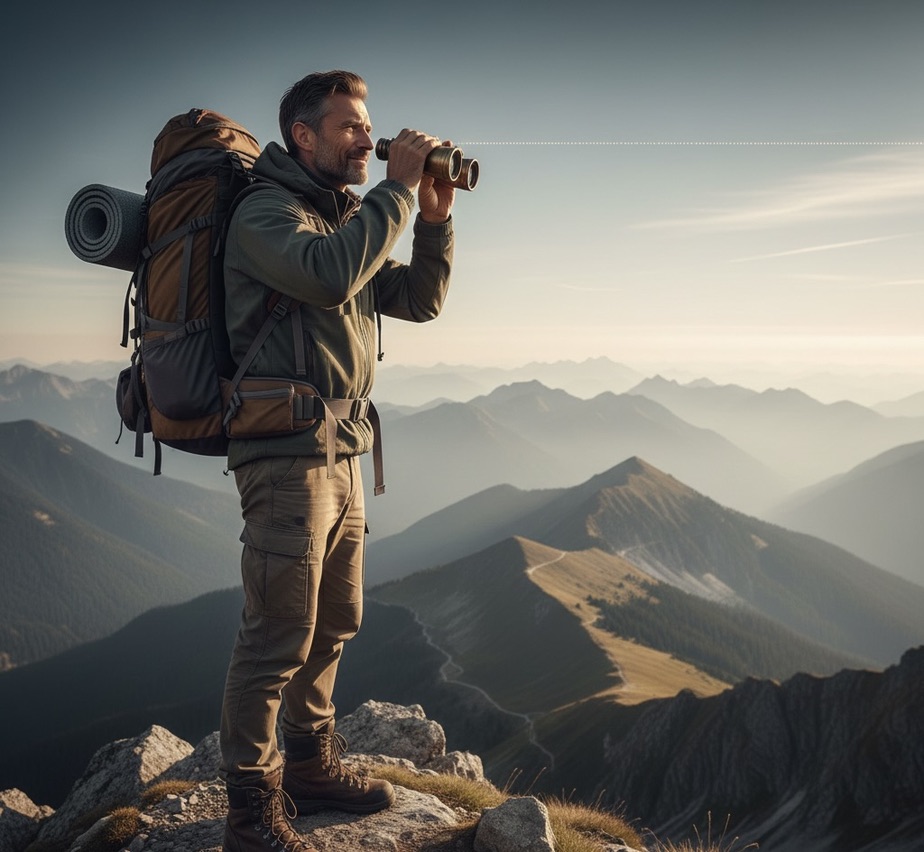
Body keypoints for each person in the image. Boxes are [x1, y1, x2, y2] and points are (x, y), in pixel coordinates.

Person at [218, 69, 456, 852]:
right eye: (350, 126)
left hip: (343, 452)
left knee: (334, 621)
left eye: (368, 125)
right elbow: (327, 278)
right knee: (278, 632)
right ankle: (252, 812)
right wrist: (393, 191)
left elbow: (418, 302)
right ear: (303, 136)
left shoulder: (339, 219)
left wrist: (431, 218)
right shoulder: (267, 214)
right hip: (286, 453)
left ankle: (312, 766)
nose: (366, 137)